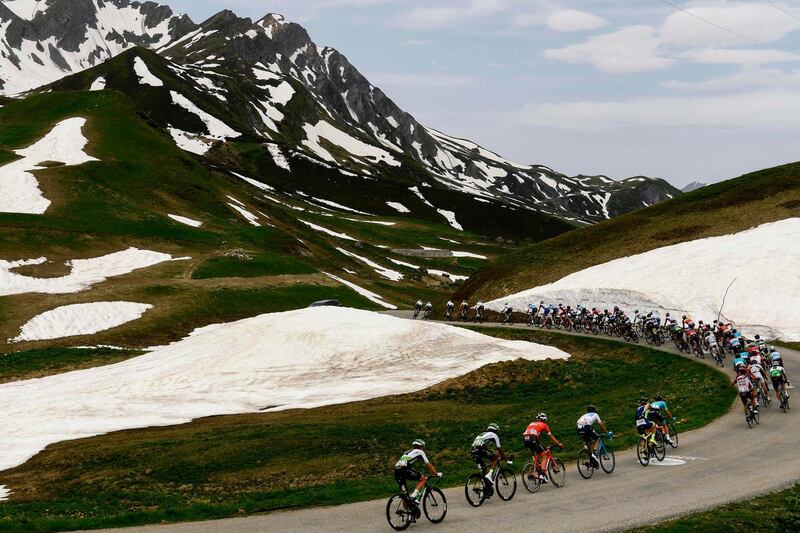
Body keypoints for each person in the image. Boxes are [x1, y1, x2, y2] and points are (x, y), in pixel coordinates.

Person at [394, 439, 442, 504]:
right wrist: (436, 474)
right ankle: (413, 496)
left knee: (405, 496)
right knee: (423, 479)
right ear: (421, 446)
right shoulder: (420, 451)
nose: (423, 448)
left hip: (397, 471)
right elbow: (428, 465)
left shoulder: (407, 452)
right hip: (404, 470)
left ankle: (407, 512)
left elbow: (406, 463)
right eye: (423, 447)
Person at [522, 413, 564, 483]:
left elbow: (536, 437)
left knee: (537, 455)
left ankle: (535, 471)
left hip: (525, 439)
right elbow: (550, 436)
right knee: (545, 456)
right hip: (533, 439)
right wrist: (558, 443)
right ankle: (542, 475)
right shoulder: (544, 425)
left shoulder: (532, 423)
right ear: (544, 419)